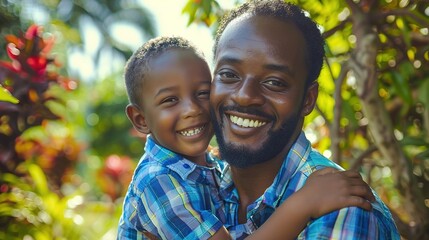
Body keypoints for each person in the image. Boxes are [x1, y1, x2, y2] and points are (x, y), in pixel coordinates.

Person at [116, 36, 375, 240]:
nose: (192, 109)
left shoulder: (210, 168)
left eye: (203, 93)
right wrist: (303, 204)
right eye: (170, 100)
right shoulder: (158, 181)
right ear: (140, 119)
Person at [210, 0, 401, 239]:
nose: (245, 96)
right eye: (228, 74)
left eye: (274, 82)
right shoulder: (194, 182)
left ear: (308, 100)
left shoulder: (342, 211)